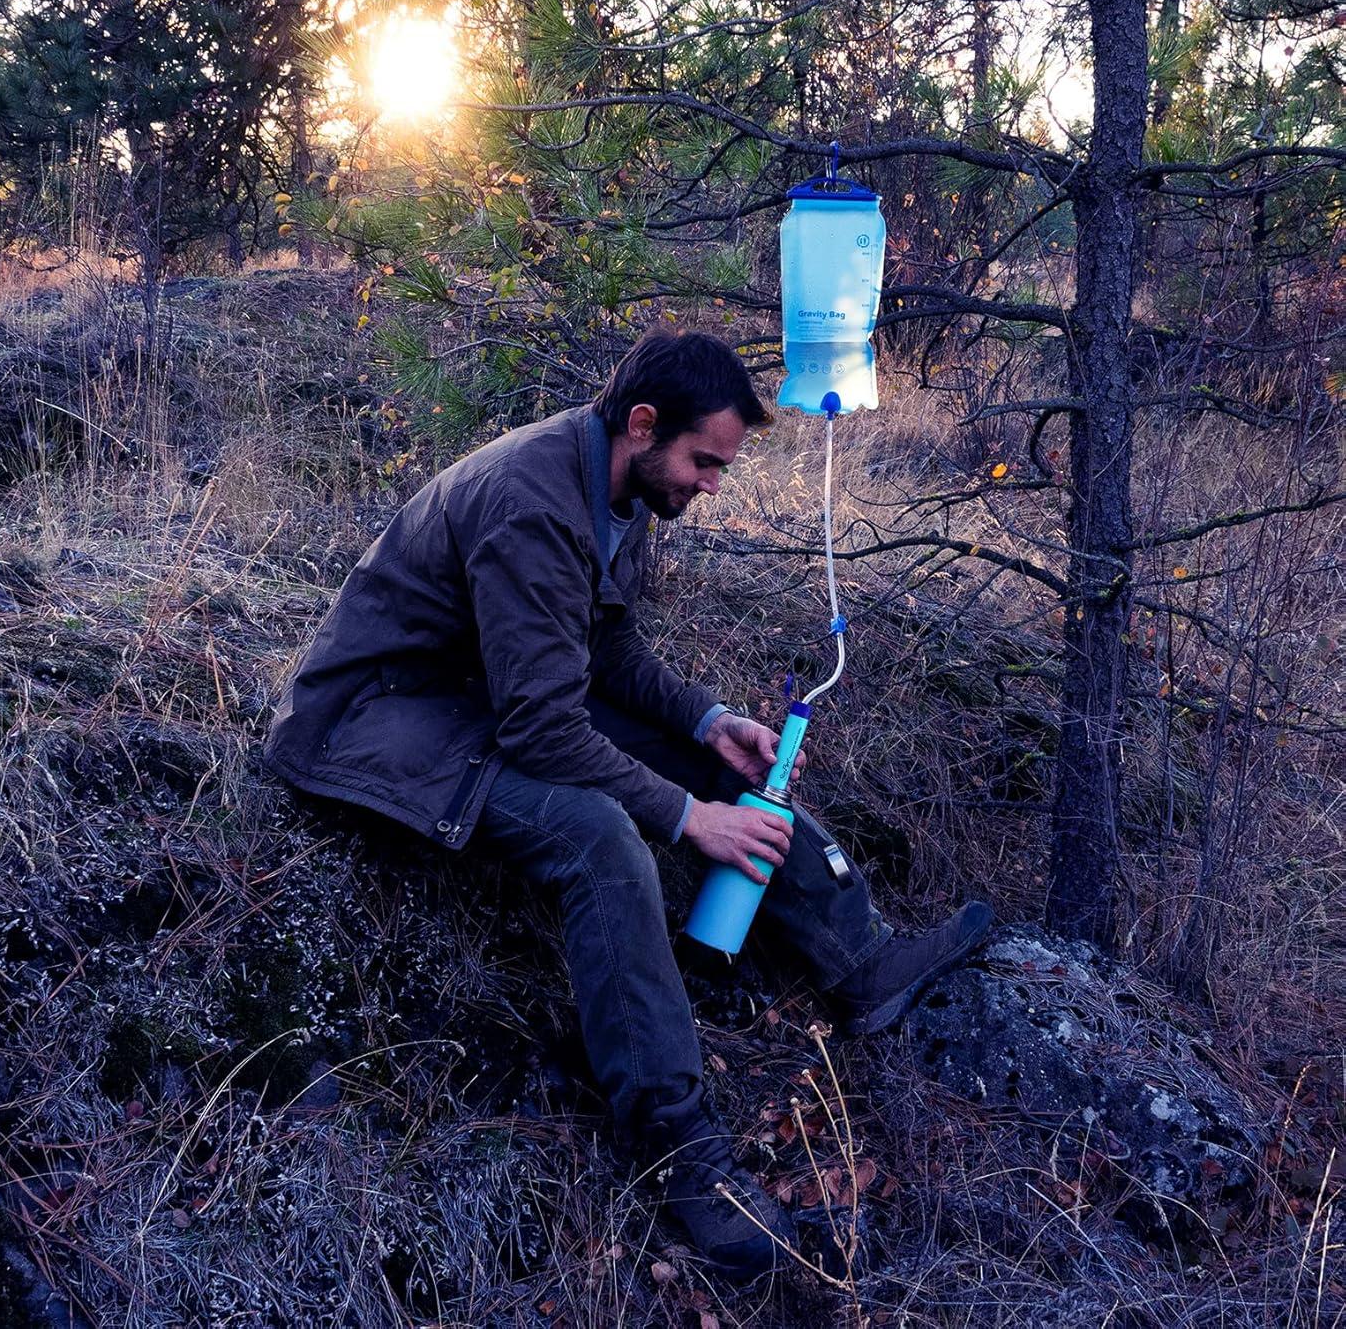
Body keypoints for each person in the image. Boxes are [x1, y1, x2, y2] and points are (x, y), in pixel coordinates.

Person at [266, 331, 992, 1280]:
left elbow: (604, 656)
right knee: (605, 836)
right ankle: (681, 1152)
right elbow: (542, 734)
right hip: (379, 723)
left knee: (729, 765)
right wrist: (690, 820)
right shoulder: (532, 504)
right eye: (705, 462)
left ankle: (859, 963)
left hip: (479, 695)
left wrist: (707, 720)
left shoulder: (622, 485)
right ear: (644, 424)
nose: (712, 485)